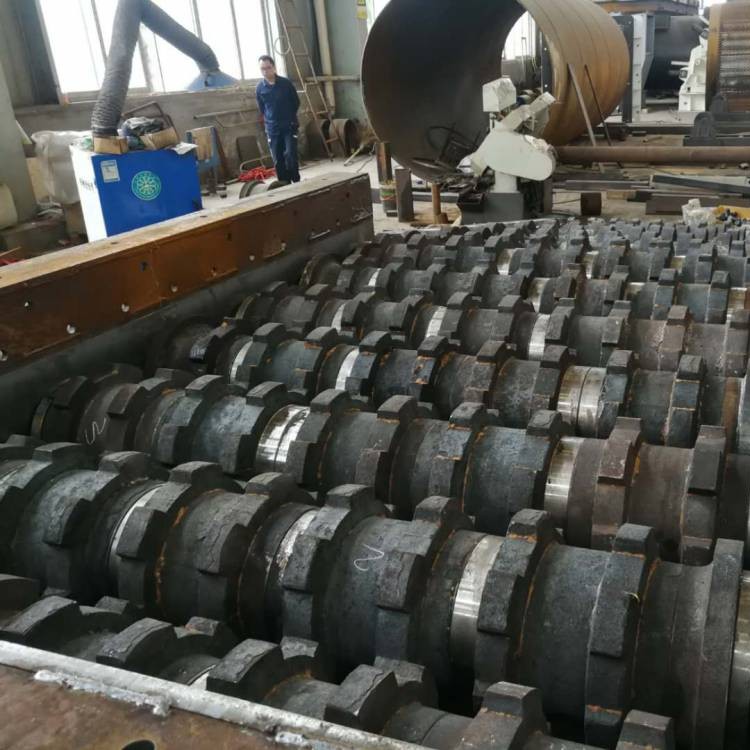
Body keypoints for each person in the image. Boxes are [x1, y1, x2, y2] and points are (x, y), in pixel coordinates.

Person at [256, 55, 301, 184]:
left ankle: (296, 181)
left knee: (290, 154)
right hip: (272, 129)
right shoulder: (260, 88)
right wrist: (270, 120)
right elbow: (262, 108)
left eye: (268, 68)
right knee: (278, 158)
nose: (266, 71)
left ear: (274, 67)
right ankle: (284, 183)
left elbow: (296, 102)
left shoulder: (286, 84)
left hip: (289, 126)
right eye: (262, 69)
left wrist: (289, 117)